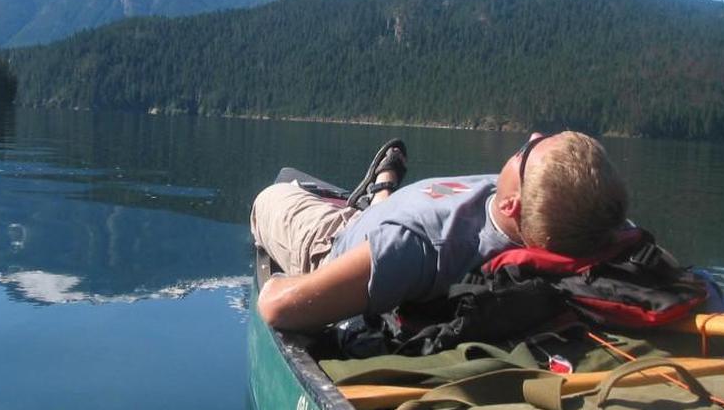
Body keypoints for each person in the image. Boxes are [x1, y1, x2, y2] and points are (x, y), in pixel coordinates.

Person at [250, 131, 628, 331]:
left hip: (341, 243)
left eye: (525, 153)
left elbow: (278, 307)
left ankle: (379, 195)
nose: (531, 136)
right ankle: (382, 193)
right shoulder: (588, 217)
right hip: (402, 229)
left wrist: (280, 285)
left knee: (270, 197)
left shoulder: (416, 247)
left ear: (512, 206)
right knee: (388, 222)